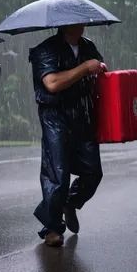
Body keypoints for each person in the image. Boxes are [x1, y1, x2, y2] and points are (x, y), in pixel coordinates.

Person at [28, 24, 107, 247]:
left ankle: (70, 203)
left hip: (83, 115)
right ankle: (52, 228)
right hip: (55, 117)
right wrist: (84, 68)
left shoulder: (88, 46)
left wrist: (100, 68)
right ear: (63, 24)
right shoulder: (46, 49)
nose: (82, 25)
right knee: (58, 175)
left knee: (93, 173)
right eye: (76, 21)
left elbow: (99, 72)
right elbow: (52, 83)